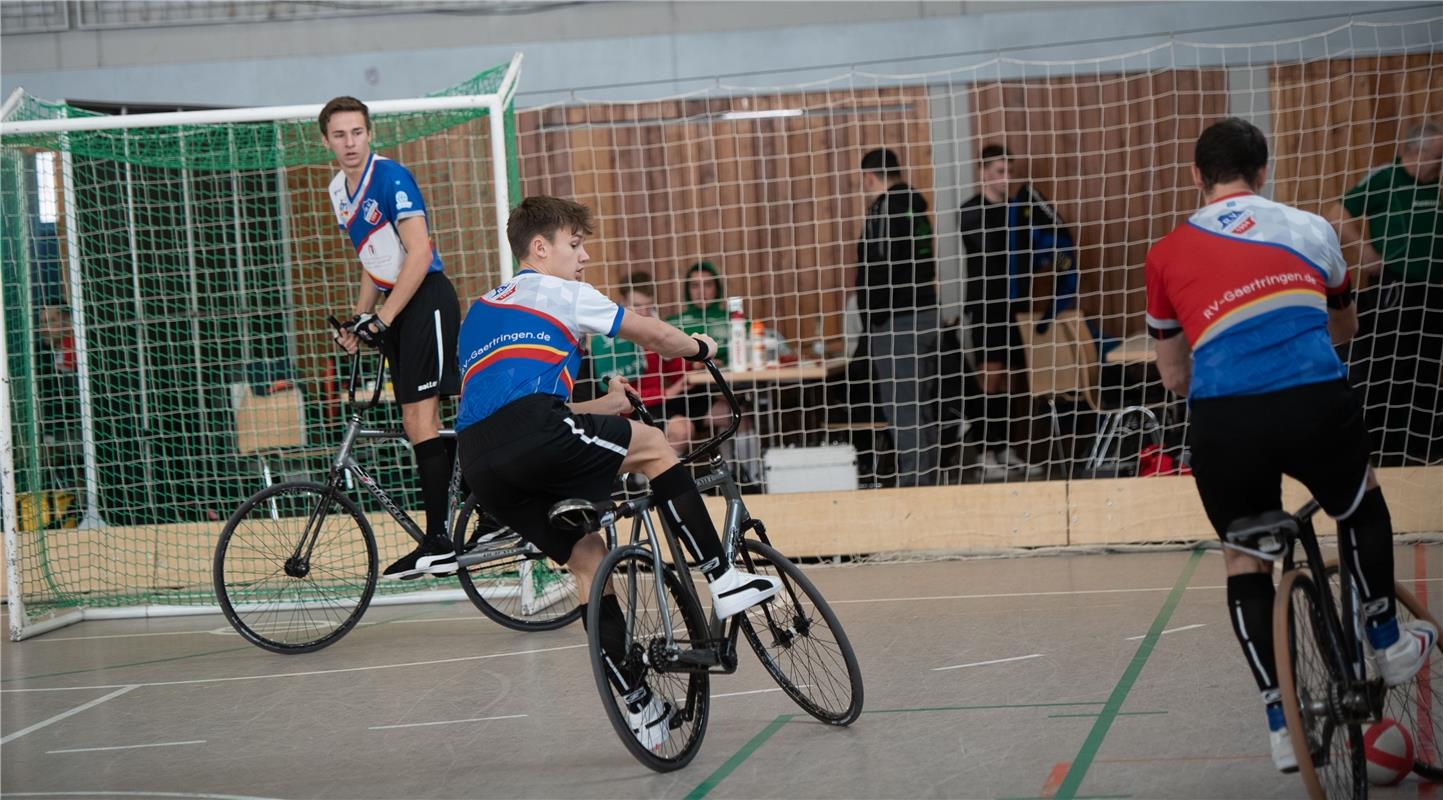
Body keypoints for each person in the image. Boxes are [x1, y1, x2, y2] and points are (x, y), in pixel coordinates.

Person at [1145, 117, 1435, 773]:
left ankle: (1281, 722)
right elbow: (1344, 324)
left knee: (1243, 560)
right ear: (1263, 171)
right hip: (1309, 402)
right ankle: (1386, 640)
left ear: (1196, 176)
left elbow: (1171, 373)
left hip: (1224, 422)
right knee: (1357, 501)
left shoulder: (1164, 254)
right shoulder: (1311, 228)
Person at [455, 196, 781, 751]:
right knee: (655, 447)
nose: (584, 256)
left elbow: (518, 413)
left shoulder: (481, 310)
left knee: (587, 556)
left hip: (480, 461)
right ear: (540, 248)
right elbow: (653, 336)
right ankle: (723, 579)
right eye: (574, 244)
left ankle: (640, 703)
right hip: (533, 433)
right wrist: (701, 346)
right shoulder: (557, 289)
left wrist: (605, 406)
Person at [321, 95, 462, 580]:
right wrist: (360, 321)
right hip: (395, 308)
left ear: (369, 133)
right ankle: (441, 535)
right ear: (327, 141)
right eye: (339, 135)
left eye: (356, 132)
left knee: (423, 418)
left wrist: (383, 317)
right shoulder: (339, 189)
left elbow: (419, 254)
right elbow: (372, 261)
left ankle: (441, 537)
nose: (349, 142)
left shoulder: (391, 177)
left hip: (425, 299)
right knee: (415, 422)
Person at [1326, 121, 1442, 465]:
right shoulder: (1385, 179)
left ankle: (1421, 447)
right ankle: (1383, 449)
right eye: (1436, 157)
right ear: (1415, 152)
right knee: (1391, 368)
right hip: (1395, 288)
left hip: (1432, 291)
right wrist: (1362, 249)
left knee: (1427, 366)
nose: (1440, 165)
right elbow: (1334, 213)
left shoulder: (1433, 182)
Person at [957, 144, 1073, 479]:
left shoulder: (1021, 208)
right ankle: (984, 451)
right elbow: (993, 250)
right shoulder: (971, 210)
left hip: (1016, 306)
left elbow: (1048, 241)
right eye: (998, 171)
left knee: (1010, 379)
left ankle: (1006, 448)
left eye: (1010, 171)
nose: (1006, 178)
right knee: (989, 377)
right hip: (986, 306)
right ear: (982, 173)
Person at [855, 147, 941, 487]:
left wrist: (872, 322)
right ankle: (927, 478)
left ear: (869, 176)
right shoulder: (914, 207)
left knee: (904, 408)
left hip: (897, 321)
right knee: (921, 405)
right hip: (926, 314)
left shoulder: (884, 209)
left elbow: (878, 271)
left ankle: (916, 486)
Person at [589, 271, 694, 453]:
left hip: (658, 404)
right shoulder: (607, 341)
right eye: (637, 306)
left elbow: (675, 371)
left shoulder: (654, 332)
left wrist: (693, 364)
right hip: (627, 410)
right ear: (622, 302)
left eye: (648, 306)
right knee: (680, 429)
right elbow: (613, 393)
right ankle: (652, 478)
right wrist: (666, 392)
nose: (644, 313)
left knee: (707, 418)